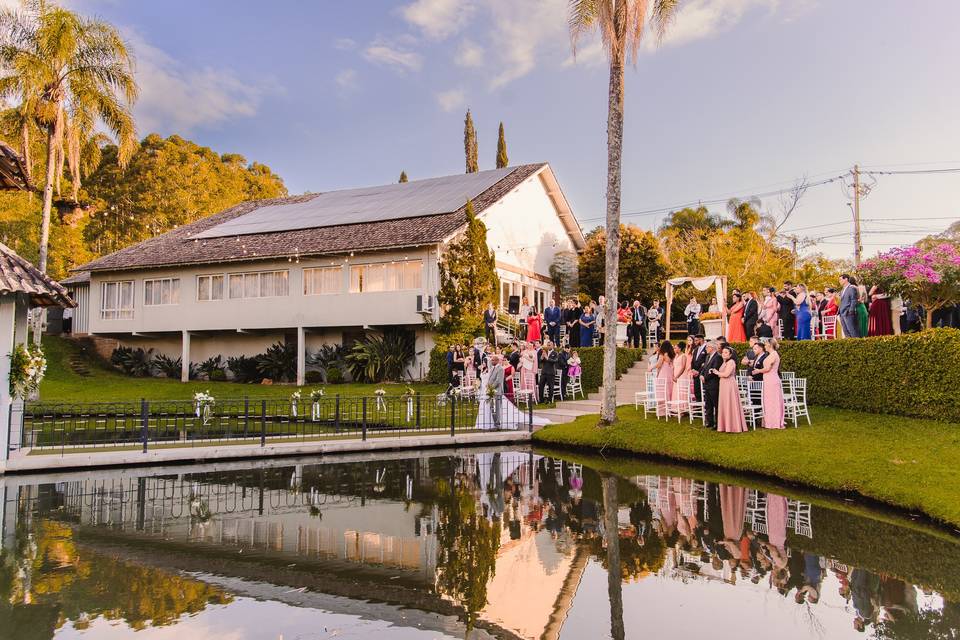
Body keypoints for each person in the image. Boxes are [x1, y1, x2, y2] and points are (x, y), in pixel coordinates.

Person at [753, 338, 784, 429]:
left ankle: (774, 422)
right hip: (768, 380)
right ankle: (769, 421)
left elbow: (767, 369)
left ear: (770, 345)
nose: (765, 346)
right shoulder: (771, 354)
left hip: (772, 380)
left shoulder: (774, 355)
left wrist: (758, 371)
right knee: (768, 401)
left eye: (766, 345)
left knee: (773, 401)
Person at [714, 346, 746, 433]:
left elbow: (727, 374)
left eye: (726, 352)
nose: (723, 354)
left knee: (730, 403)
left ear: (730, 354)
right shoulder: (724, 362)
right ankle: (725, 425)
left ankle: (733, 425)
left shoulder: (731, 362)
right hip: (723, 384)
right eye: (723, 352)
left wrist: (717, 372)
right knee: (724, 403)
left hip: (729, 385)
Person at [698, 340, 722, 429]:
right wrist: (701, 375)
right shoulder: (708, 356)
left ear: (711, 348)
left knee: (715, 403)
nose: (706, 349)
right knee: (708, 404)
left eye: (707, 347)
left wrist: (705, 377)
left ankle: (717, 422)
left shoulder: (718, 357)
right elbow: (704, 368)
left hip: (714, 384)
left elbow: (714, 370)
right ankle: (709, 421)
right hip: (707, 384)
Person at [652, 341, 675, 417]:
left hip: (663, 372)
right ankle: (670, 408)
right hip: (670, 372)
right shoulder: (672, 354)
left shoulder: (663, 354)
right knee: (669, 390)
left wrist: (651, 367)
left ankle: (663, 411)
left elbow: (659, 364)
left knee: (662, 391)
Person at [671, 339, 692, 414]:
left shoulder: (683, 356)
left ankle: (682, 409)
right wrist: (673, 375)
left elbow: (683, 367)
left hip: (681, 375)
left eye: (675, 348)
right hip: (675, 374)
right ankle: (675, 408)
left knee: (681, 392)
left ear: (679, 349)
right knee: (676, 391)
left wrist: (677, 376)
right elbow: (673, 366)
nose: (674, 349)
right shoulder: (676, 356)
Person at [690, 334, 708, 402]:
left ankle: (704, 409)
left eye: (696, 340)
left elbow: (706, 362)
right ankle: (698, 409)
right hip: (695, 374)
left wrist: (699, 371)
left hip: (702, 374)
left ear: (701, 339)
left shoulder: (706, 348)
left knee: (703, 392)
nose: (695, 342)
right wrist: (693, 370)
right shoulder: (696, 349)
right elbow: (693, 361)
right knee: (697, 392)